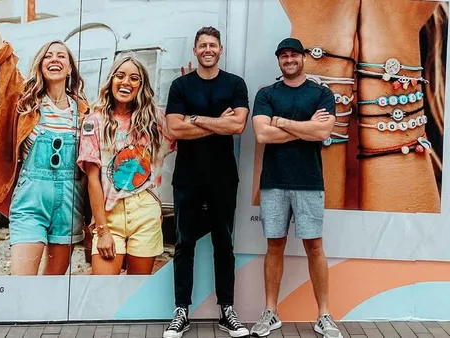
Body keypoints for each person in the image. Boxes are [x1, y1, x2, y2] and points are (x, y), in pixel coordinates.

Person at [0, 0, 89, 275]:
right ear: (40, 64)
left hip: (69, 203)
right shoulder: (25, 100)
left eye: (61, 56)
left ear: (70, 68)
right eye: (48, 56)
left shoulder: (84, 110)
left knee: (53, 285)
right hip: (30, 199)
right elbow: (2, 56)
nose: (54, 60)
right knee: (23, 285)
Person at [250, 37, 342, 338]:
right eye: (283, 56)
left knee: (315, 247)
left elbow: (324, 131)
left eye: (294, 55)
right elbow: (263, 135)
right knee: (274, 245)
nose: (289, 60)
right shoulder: (266, 94)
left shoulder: (321, 94)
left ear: (303, 57)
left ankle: (324, 315)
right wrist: (305, 127)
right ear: (279, 60)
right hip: (274, 182)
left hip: (309, 181)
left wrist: (283, 122)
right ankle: (270, 312)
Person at [163, 26, 249, 338]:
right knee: (184, 243)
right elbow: (174, 129)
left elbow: (238, 125)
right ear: (195, 51)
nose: (208, 49)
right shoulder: (180, 86)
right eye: (203, 45)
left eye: (213, 45)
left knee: (223, 243)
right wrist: (218, 123)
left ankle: (227, 309)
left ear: (220, 49)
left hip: (223, 176)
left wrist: (196, 119)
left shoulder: (235, 84)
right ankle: (180, 311)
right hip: (187, 175)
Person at [76, 55, 175, 275]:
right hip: (109, 213)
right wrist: (101, 231)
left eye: (134, 78)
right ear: (111, 80)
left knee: (135, 293)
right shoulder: (95, 121)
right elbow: (93, 179)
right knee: (102, 292)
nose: (126, 82)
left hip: (145, 210)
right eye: (120, 76)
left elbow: (183, 132)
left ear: (141, 85)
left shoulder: (155, 120)